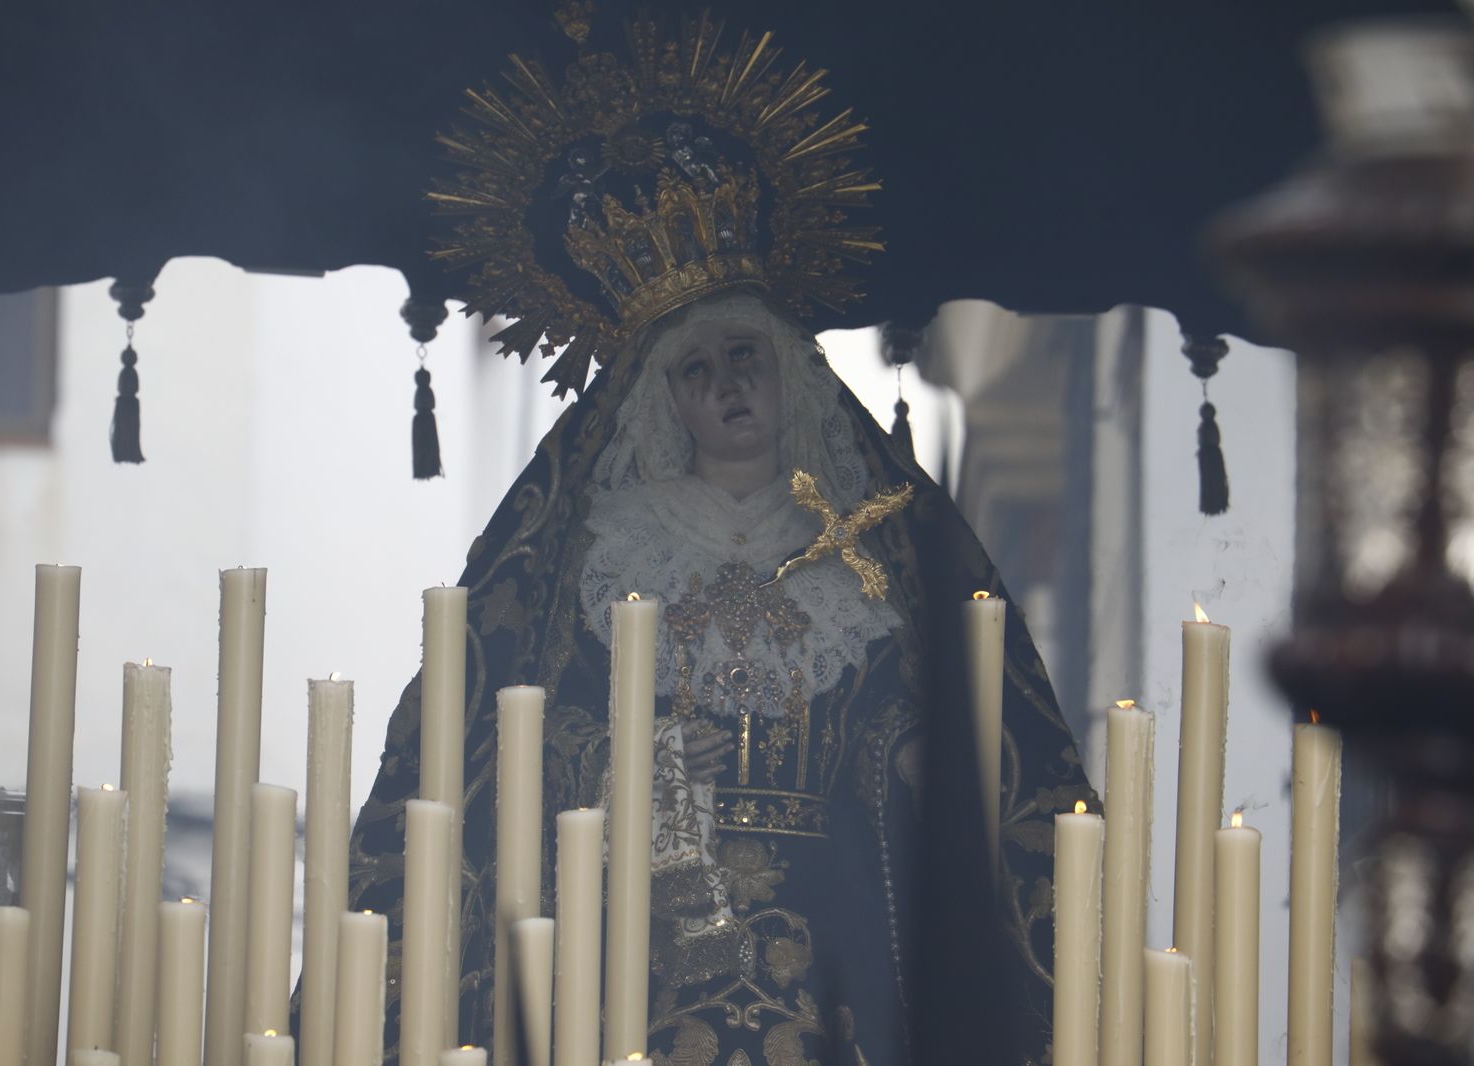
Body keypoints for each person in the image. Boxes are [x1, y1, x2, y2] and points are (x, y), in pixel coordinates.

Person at [335, 12, 1094, 1065]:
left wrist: (901, 752)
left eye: (745, 355)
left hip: (843, 944)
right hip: (636, 954)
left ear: (792, 374)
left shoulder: (876, 544)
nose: (728, 384)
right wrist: (632, 765)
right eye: (697, 370)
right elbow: (513, 743)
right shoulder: (594, 554)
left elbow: (963, 736)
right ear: (666, 404)